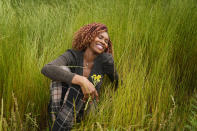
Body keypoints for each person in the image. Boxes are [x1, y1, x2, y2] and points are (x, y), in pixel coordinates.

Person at [41, 23, 119, 131]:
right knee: (64, 72)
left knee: (79, 86)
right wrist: (81, 80)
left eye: (106, 41)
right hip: (64, 107)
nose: (103, 42)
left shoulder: (105, 60)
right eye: (100, 37)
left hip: (89, 108)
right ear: (90, 36)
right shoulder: (73, 55)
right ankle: (58, 125)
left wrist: (111, 101)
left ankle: (57, 127)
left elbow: (117, 83)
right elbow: (47, 68)